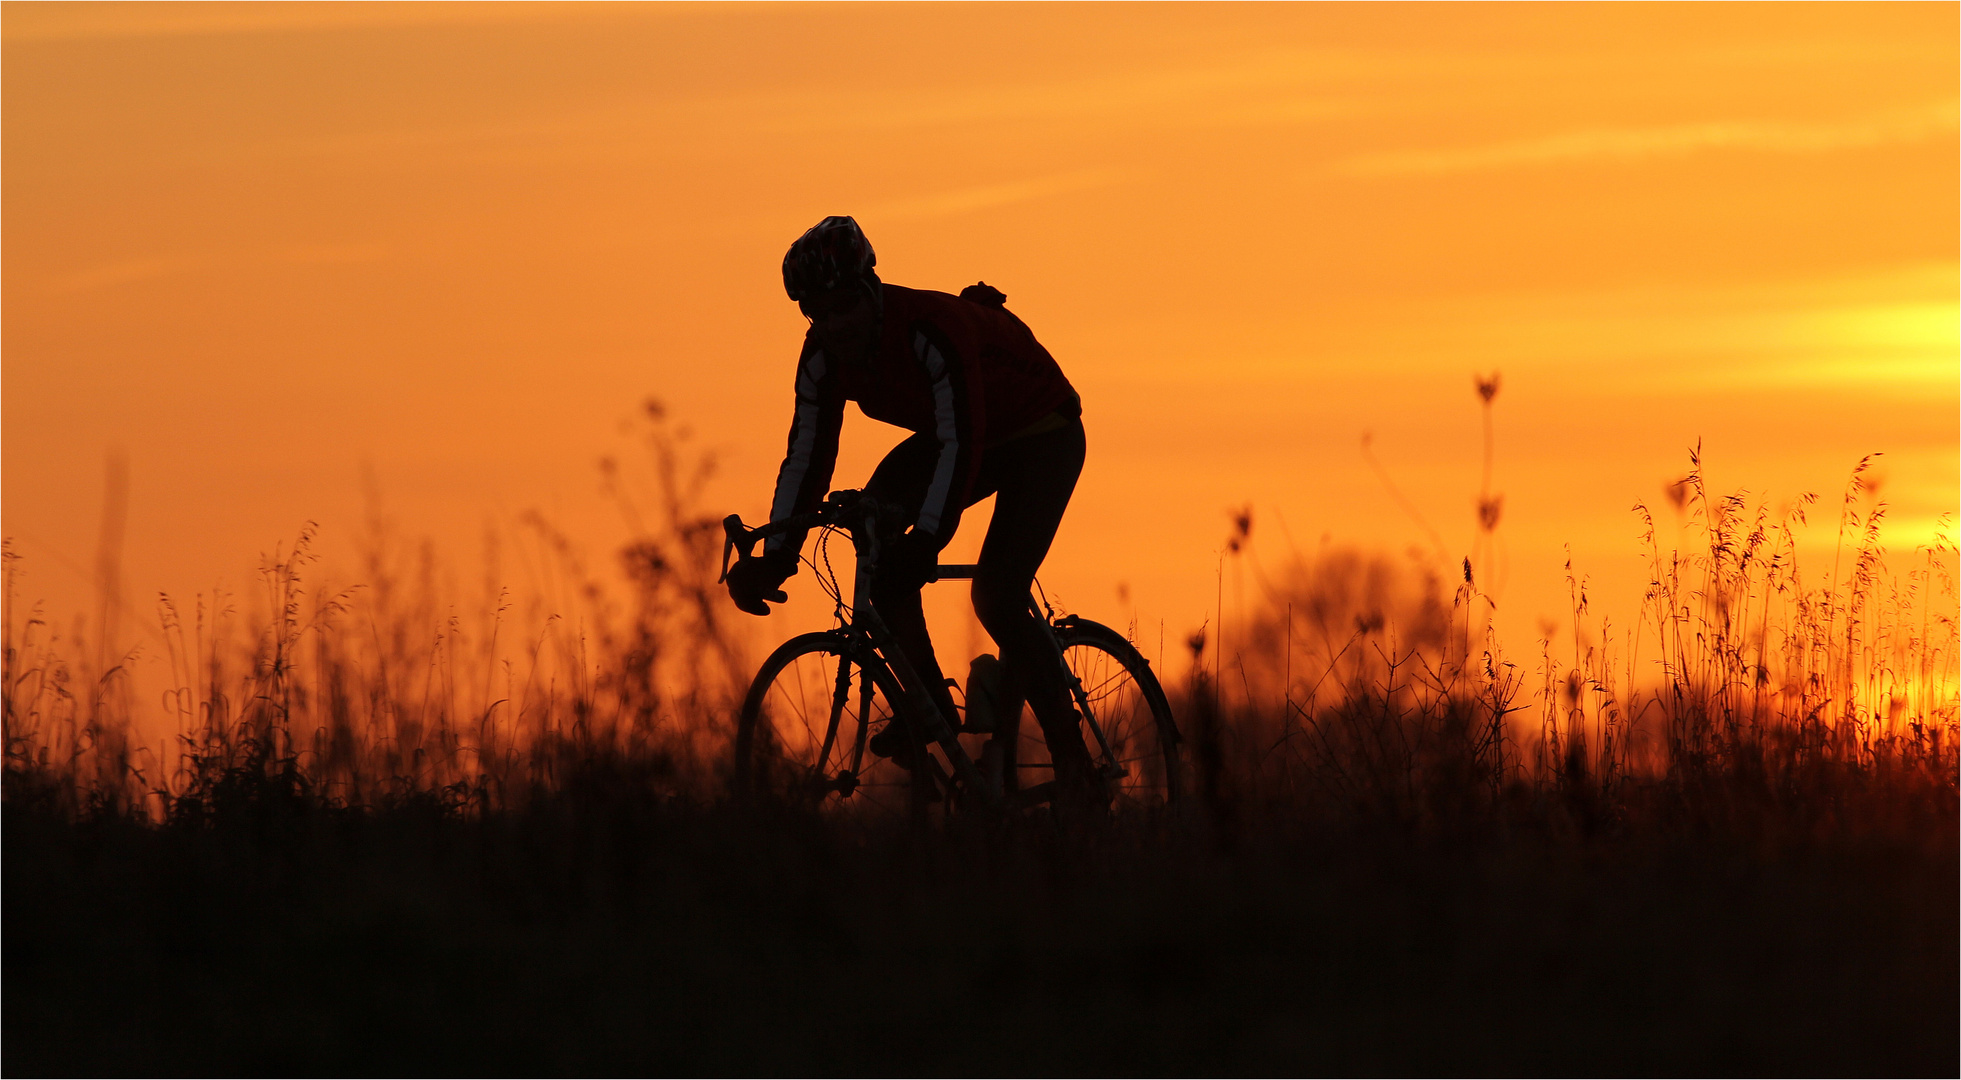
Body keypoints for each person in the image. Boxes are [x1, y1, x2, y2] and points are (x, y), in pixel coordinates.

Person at [724, 215, 1097, 799]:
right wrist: (776, 554)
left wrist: (927, 540)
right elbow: (806, 454)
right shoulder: (823, 355)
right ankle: (928, 706)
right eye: (816, 312)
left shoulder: (930, 329)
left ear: (871, 288)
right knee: (875, 539)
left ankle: (1074, 765)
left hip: (1039, 431)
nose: (834, 324)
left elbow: (961, 442)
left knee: (996, 594)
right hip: (960, 434)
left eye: (844, 304)